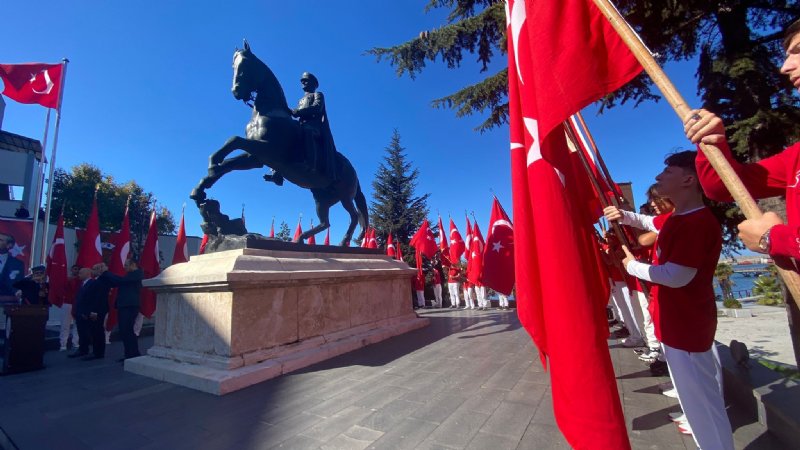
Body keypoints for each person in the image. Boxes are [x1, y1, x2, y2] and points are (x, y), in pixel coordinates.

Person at [605, 151, 733, 450]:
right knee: (693, 398)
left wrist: (632, 267)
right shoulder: (677, 218)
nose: (659, 177)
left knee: (702, 402)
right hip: (676, 321)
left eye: (668, 173)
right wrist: (622, 215)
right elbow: (649, 222)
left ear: (689, 180)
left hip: (687, 323)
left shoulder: (697, 222)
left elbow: (677, 276)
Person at [685, 19, 800, 265]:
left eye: (798, 51)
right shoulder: (796, 156)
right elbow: (724, 187)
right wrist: (711, 142)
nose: (784, 67)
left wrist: (774, 239)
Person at [98, 258, 144, 361]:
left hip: (130, 306)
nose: (124, 267)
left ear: (133, 265)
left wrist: (107, 272)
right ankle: (129, 354)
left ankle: (133, 355)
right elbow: (116, 282)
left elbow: (121, 281)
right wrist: (104, 274)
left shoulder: (138, 274)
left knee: (127, 330)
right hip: (124, 306)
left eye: (127, 265)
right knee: (124, 331)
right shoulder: (129, 275)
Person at [69, 268, 94, 359]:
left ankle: (85, 350)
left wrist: (86, 312)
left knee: (85, 332)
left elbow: (91, 299)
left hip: (84, 313)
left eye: (81, 273)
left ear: (87, 274)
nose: (79, 275)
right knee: (80, 331)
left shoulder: (91, 284)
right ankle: (82, 349)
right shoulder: (82, 284)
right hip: (79, 312)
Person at [59, 265, 82, 350]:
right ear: (71, 270)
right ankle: (63, 344)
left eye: (78, 269)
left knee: (77, 325)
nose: (76, 271)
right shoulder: (67, 279)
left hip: (78, 304)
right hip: (67, 304)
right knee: (65, 324)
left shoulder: (82, 281)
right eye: (75, 269)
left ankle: (75, 342)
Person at [0, 233, 24, 297]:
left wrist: (17, 291)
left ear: (9, 245)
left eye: (0, 240)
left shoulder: (17, 264)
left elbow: (18, 285)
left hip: (7, 302)